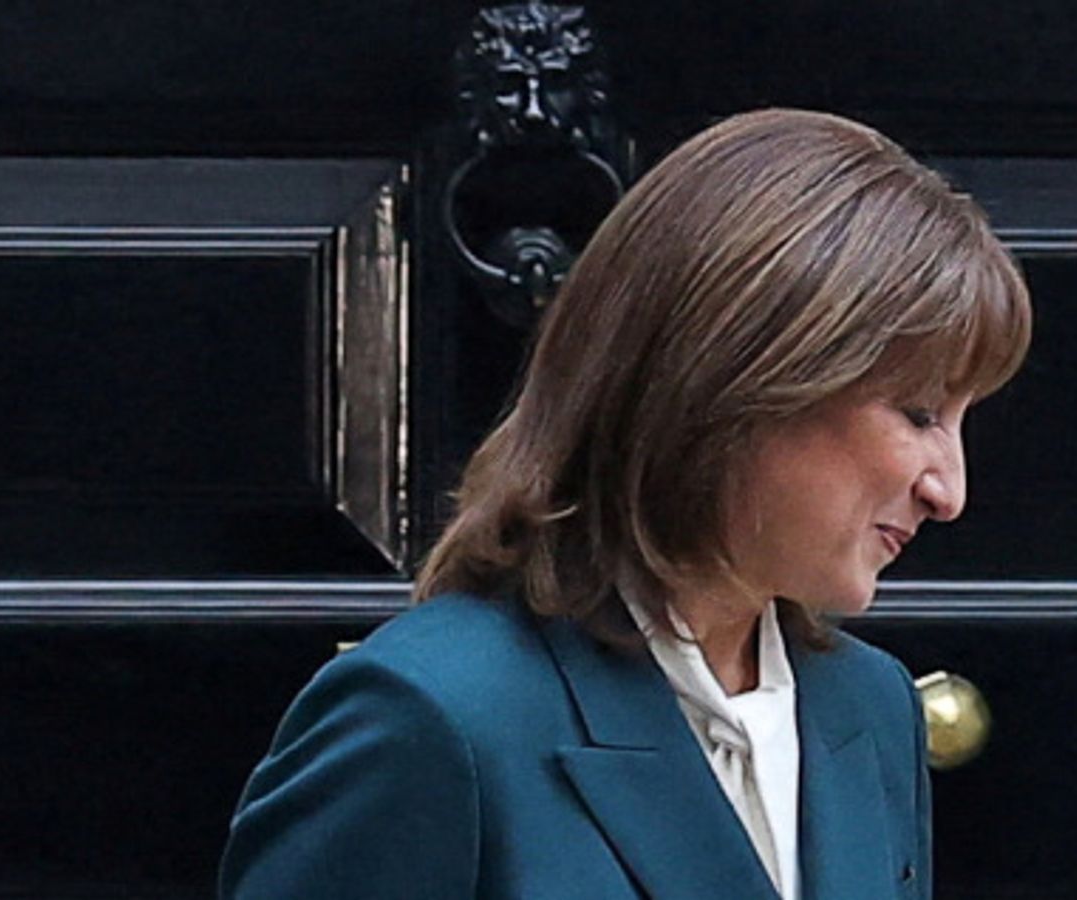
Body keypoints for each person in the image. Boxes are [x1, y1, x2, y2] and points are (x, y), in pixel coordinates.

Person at [217, 108, 1031, 900]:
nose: (947, 491)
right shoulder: (431, 716)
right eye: (919, 413)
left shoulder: (869, 706)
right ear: (737, 381)